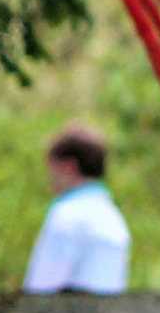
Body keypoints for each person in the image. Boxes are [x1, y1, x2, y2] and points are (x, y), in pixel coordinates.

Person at [22, 123, 132, 294]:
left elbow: (42, 286)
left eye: (52, 170)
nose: (49, 180)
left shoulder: (68, 215)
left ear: (68, 167)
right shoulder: (114, 218)